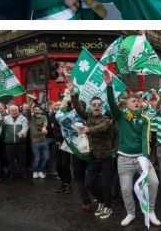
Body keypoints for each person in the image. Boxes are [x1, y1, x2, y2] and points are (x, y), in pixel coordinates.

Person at [104, 70, 161, 227]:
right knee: (126, 189)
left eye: (138, 100)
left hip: (142, 158)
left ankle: (150, 211)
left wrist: (144, 157)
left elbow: (145, 138)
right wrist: (109, 86)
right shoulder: (121, 116)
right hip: (124, 160)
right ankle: (131, 213)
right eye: (133, 101)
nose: (136, 102)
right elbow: (111, 103)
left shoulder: (145, 119)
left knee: (154, 183)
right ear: (127, 104)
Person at [67, 77, 114, 219]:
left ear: (102, 106)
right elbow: (77, 107)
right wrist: (72, 92)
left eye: (99, 104)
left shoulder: (106, 119)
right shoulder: (87, 116)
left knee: (106, 184)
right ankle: (101, 200)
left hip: (106, 157)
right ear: (91, 106)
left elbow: (102, 128)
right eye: (94, 104)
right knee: (89, 183)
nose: (96, 106)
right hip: (93, 157)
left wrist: (88, 130)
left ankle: (108, 206)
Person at [0, 104, 29, 180]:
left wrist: (22, 132)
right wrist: (1, 115)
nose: (14, 112)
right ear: (9, 111)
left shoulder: (23, 118)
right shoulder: (6, 118)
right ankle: (12, 174)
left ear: (18, 111)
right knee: (10, 159)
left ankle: (22, 173)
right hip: (9, 142)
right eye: (12, 110)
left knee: (21, 159)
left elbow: (26, 127)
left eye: (16, 110)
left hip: (20, 142)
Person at [25, 95, 50, 179]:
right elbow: (28, 109)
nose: (36, 110)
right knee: (37, 159)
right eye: (35, 109)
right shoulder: (30, 118)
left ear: (40, 110)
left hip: (44, 141)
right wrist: (32, 100)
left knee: (45, 158)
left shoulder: (43, 117)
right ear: (33, 110)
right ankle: (35, 171)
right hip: (35, 142)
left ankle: (41, 171)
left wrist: (44, 127)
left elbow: (46, 123)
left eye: (38, 109)